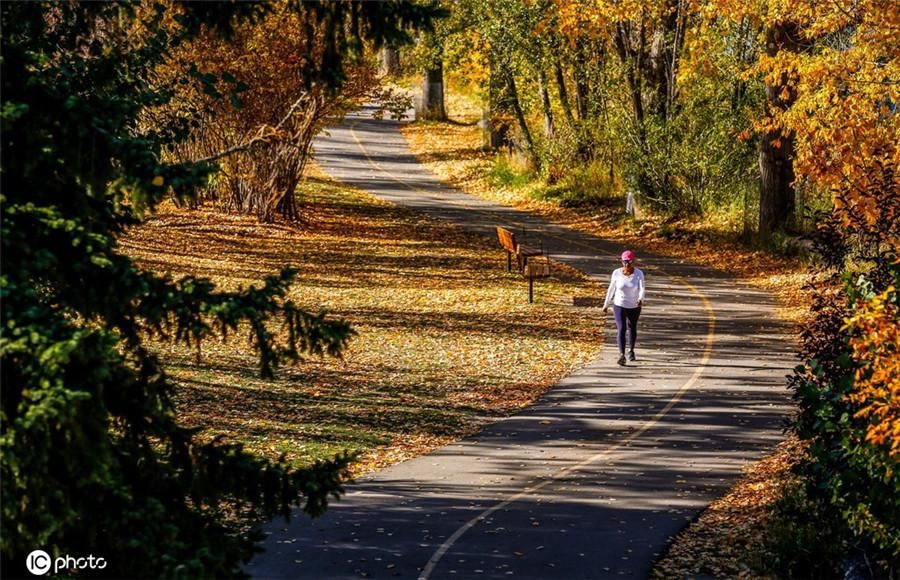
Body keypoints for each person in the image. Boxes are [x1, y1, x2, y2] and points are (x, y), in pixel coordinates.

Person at [602, 250, 645, 366]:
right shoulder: (616, 273)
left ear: (633, 262)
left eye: (629, 262)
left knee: (632, 327)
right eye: (625, 262)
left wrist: (640, 299)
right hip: (619, 304)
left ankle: (631, 350)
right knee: (621, 328)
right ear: (621, 262)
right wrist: (606, 304)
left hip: (634, 305)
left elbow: (642, 288)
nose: (627, 265)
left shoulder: (639, 273)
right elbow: (611, 289)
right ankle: (621, 355)